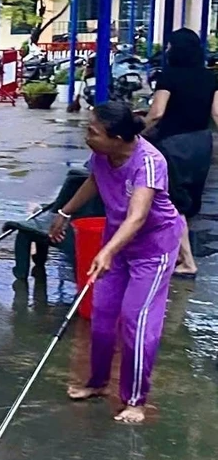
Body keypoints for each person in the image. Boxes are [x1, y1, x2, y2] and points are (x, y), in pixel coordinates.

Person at [49, 102, 184, 424]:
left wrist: (106, 250)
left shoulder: (149, 163)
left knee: (136, 321)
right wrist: (65, 212)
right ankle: (96, 382)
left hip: (153, 248)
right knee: (103, 316)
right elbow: (95, 180)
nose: (87, 136)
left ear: (119, 137)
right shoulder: (102, 155)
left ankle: (135, 400)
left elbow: (137, 217)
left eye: (93, 132)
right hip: (117, 242)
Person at [141, 28, 218, 279]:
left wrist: (135, 134)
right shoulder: (210, 78)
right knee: (189, 201)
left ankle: (187, 261)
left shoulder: (168, 77)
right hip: (201, 143)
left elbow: (157, 113)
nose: (167, 50)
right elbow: (217, 115)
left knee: (173, 202)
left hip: (174, 144)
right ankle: (177, 254)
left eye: (170, 46)